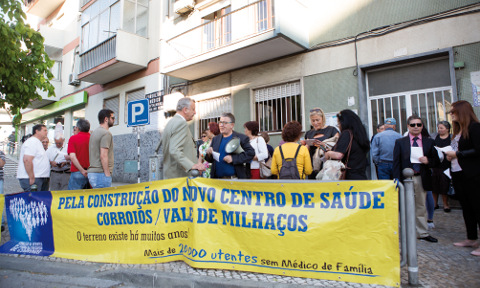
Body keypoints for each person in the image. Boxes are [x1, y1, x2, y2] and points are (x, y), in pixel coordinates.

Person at [393, 115, 439, 243]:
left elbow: (436, 161)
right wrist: (396, 178)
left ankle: (422, 232)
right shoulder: (400, 142)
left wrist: (428, 161)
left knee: (420, 205)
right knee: (404, 206)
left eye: (418, 124)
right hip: (405, 178)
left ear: (422, 126)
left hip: (421, 177)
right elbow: (396, 162)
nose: (416, 127)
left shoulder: (429, 142)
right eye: (413, 125)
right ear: (408, 126)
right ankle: (405, 231)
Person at [445, 101, 480, 256]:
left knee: (477, 207)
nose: (451, 114)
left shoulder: (474, 127)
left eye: (453, 112)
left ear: (462, 111)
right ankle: (471, 237)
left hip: (472, 174)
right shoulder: (457, 131)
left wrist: (458, 154)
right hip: (457, 173)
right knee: (466, 208)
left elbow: (478, 150)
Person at [161, 98, 205, 179]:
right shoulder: (181, 123)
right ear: (185, 110)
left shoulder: (170, 122)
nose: (195, 112)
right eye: (193, 109)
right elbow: (174, 150)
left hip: (171, 176)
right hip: (180, 177)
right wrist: (192, 165)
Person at [205, 113, 255, 179]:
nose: (221, 125)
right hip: (217, 181)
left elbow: (251, 153)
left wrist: (233, 159)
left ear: (232, 125)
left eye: (225, 123)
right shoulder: (215, 139)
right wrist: (209, 154)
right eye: (220, 122)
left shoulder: (241, 138)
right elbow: (210, 160)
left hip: (235, 181)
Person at [324, 109, 370, 180]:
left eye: (338, 124)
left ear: (344, 123)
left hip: (349, 176)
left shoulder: (347, 133)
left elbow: (339, 155)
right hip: (361, 175)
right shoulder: (359, 134)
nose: (339, 126)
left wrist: (328, 153)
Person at [304, 108, 339, 178]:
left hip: (328, 166)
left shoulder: (332, 130)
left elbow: (338, 147)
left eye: (317, 120)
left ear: (322, 118)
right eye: (313, 120)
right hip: (313, 167)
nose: (315, 123)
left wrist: (322, 146)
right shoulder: (309, 133)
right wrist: (304, 145)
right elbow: (306, 151)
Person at [17, 124, 50, 192]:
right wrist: (31, 177)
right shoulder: (32, 142)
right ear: (37, 131)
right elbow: (27, 160)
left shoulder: (37, 143)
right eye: (44, 130)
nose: (46, 132)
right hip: (34, 178)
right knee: (34, 200)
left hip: (40, 177)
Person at [87, 109, 115, 188]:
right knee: (104, 200)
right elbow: (103, 155)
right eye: (112, 118)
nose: (114, 120)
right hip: (101, 174)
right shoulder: (106, 133)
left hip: (93, 173)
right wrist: (107, 174)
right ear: (106, 119)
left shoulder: (94, 133)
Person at [431, 121, 452, 212]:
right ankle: (434, 203)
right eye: (438, 128)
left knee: (445, 185)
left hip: (447, 165)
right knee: (434, 185)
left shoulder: (451, 138)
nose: (439, 130)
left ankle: (445, 204)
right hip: (436, 165)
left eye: (442, 128)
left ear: (447, 129)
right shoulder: (434, 137)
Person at [68, 119, 91, 190]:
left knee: (73, 197)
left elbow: (72, 156)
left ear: (78, 128)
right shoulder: (93, 138)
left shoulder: (73, 138)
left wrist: (82, 170)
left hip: (77, 171)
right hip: (91, 172)